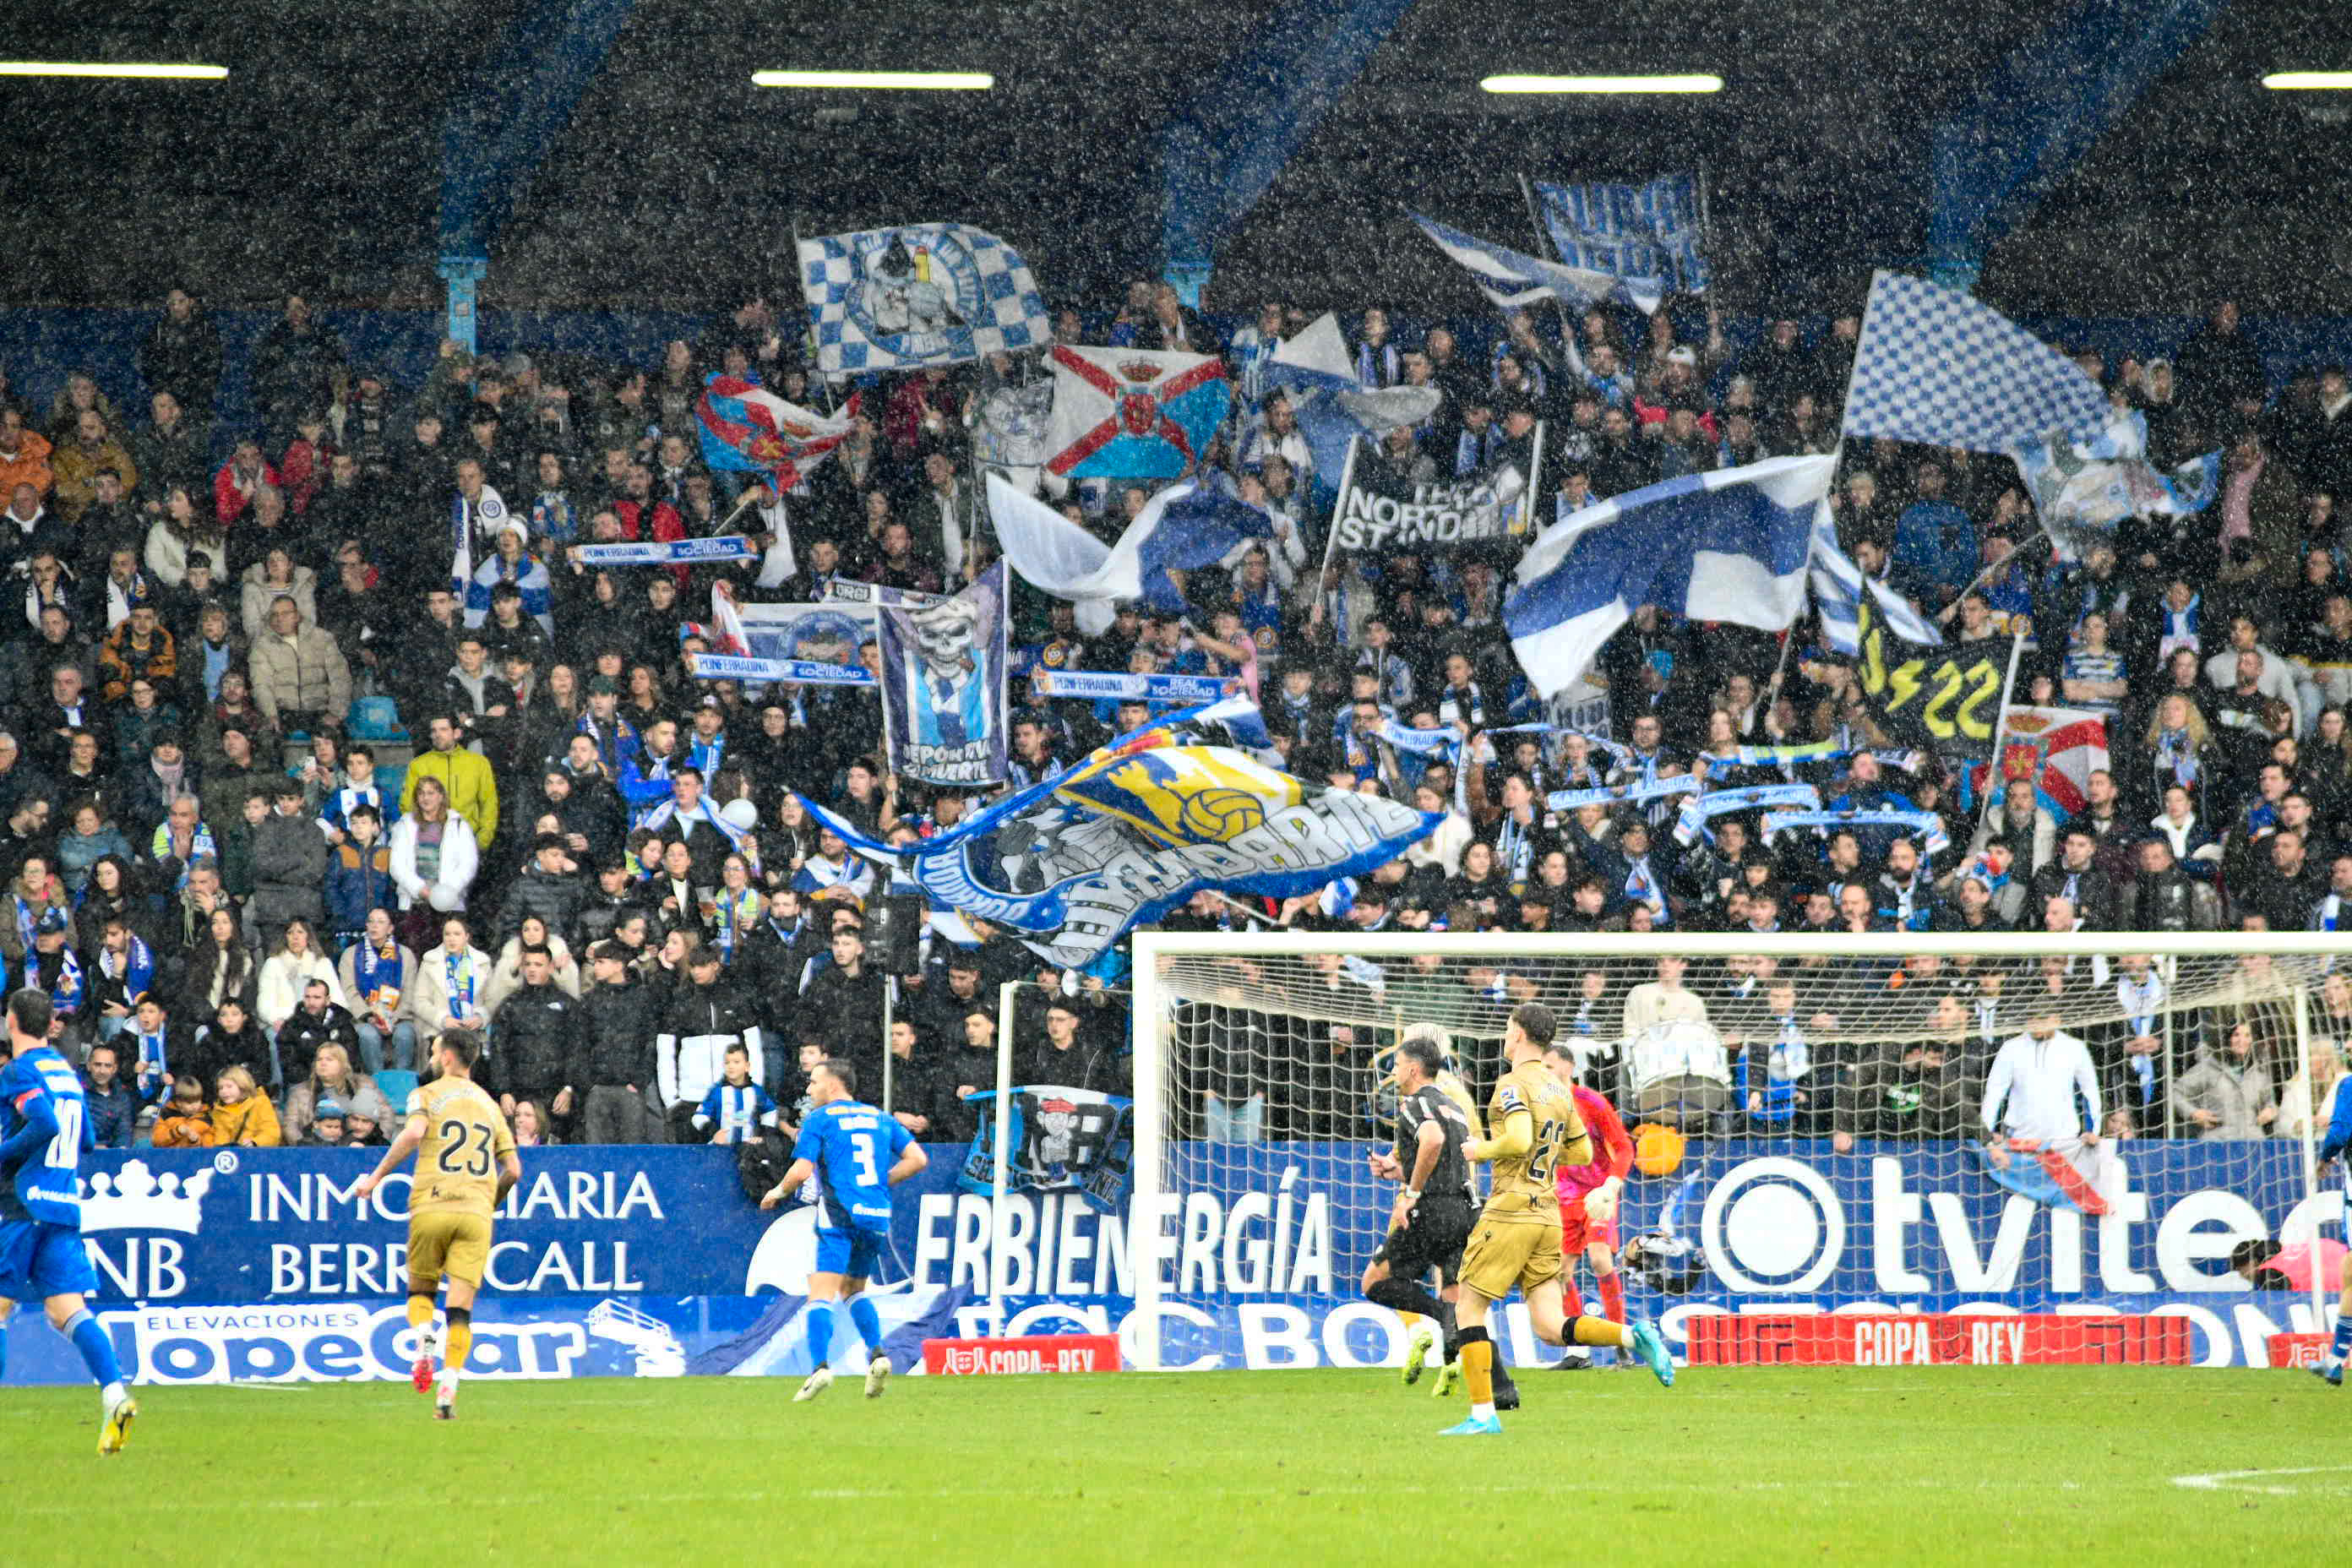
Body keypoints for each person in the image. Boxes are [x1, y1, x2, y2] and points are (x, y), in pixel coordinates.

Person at [1444, 1002, 1672, 1437]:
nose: (1505, 1036)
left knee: (1468, 1306)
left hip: (1511, 1209)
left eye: (1508, 1029)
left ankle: (1481, 1414)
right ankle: (1631, 1336)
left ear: (1518, 1036)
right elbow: (1583, 1154)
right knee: (1550, 1327)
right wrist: (1541, 1156)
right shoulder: (1558, 1089)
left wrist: (1480, 1150)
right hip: (1548, 1213)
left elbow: (1518, 1138)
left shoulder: (1512, 1083)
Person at [354, 1027, 520, 1420]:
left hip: (432, 1203)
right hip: (476, 1212)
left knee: (421, 1290)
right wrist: (488, 1203)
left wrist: (375, 1177)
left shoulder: (425, 1094)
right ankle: (448, 1389)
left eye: (433, 1050)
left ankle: (423, 1334)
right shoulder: (490, 1104)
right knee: (461, 1310)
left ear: (447, 1057)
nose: (430, 1056)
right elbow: (513, 1169)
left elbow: (413, 1132)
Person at [0, 987, 137, 1451]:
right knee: (67, 1310)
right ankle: (115, 1394)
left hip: (23, 1203)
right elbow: (89, 1140)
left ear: (12, 1021)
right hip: (62, 1203)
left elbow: (45, 1123)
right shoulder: (66, 1071)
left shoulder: (20, 1070)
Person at [1361, 1027, 1516, 1406]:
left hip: (1432, 1211)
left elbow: (1432, 1141)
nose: (1394, 1073)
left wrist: (1410, 1193)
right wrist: (1396, 1169)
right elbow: (1447, 1159)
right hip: (1465, 1209)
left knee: (1375, 1282)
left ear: (1414, 1070)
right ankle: (1503, 1388)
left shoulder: (1415, 1105)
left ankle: (1437, 1314)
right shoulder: (1454, 1106)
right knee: (1465, 1311)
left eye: (1397, 1066)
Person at [759, 1057, 927, 1402]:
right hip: (877, 1214)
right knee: (854, 1288)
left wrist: (777, 1192)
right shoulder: (880, 1117)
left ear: (833, 1085)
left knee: (822, 1290)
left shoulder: (819, 1119)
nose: (809, 1089)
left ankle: (819, 1367)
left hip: (840, 1213)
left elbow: (803, 1169)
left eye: (814, 1082)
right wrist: (881, 1183)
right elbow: (918, 1160)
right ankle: (878, 1354)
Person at [1545, 1037, 1636, 1369]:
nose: (1544, 1073)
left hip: (1596, 1197)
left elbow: (1625, 1148)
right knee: (1559, 1273)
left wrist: (1612, 1185)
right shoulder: (1538, 1108)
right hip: (1561, 1200)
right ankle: (1579, 1352)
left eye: (1550, 1066)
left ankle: (1620, 1344)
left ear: (1569, 1067)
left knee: (1599, 1260)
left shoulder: (1591, 1102)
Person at [693, 1042, 777, 1144]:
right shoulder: (716, 1091)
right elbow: (698, 1116)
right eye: (727, 1062)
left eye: (736, 1062)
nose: (731, 1066)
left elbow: (770, 1112)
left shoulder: (757, 1091)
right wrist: (713, 1132)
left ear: (747, 1066)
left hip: (749, 1149)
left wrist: (764, 1135)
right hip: (720, 1148)